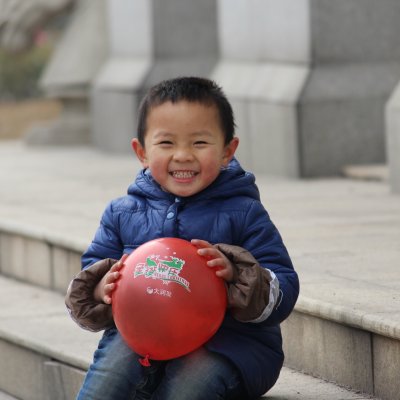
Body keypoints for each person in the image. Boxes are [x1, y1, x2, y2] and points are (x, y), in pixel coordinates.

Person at [65, 76, 299, 400]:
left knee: (189, 385)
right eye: (166, 143)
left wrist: (238, 277)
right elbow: (92, 270)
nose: (183, 155)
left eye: (199, 143)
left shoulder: (244, 213)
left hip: (231, 346)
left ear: (227, 151)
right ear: (142, 152)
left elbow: (284, 285)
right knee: (108, 376)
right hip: (140, 339)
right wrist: (101, 288)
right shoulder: (121, 213)